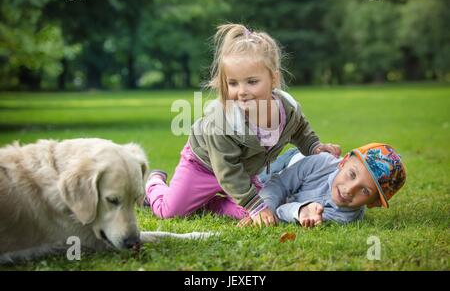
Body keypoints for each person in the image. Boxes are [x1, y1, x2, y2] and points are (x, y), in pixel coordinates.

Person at [144, 23, 340, 227]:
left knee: (257, 214)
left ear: (273, 79)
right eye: (233, 83)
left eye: (252, 82)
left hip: (243, 173)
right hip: (203, 167)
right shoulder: (222, 123)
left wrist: (314, 146)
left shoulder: (287, 109)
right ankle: (153, 184)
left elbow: (299, 129)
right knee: (170, 211)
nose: (242, 91)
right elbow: (227, 170)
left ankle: (207, 203)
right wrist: (253, 203)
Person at [239, 143, 407, 228]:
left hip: (293, 195)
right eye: (352, 174)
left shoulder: (345, 217)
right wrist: (261, 209)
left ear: (373, 202)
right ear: (344, 162)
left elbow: (284, 212)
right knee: (248, 180)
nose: (349, 189)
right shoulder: (321, 164)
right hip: (291, 165)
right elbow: (280, 184)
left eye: (364, 190)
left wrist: (300, 211)